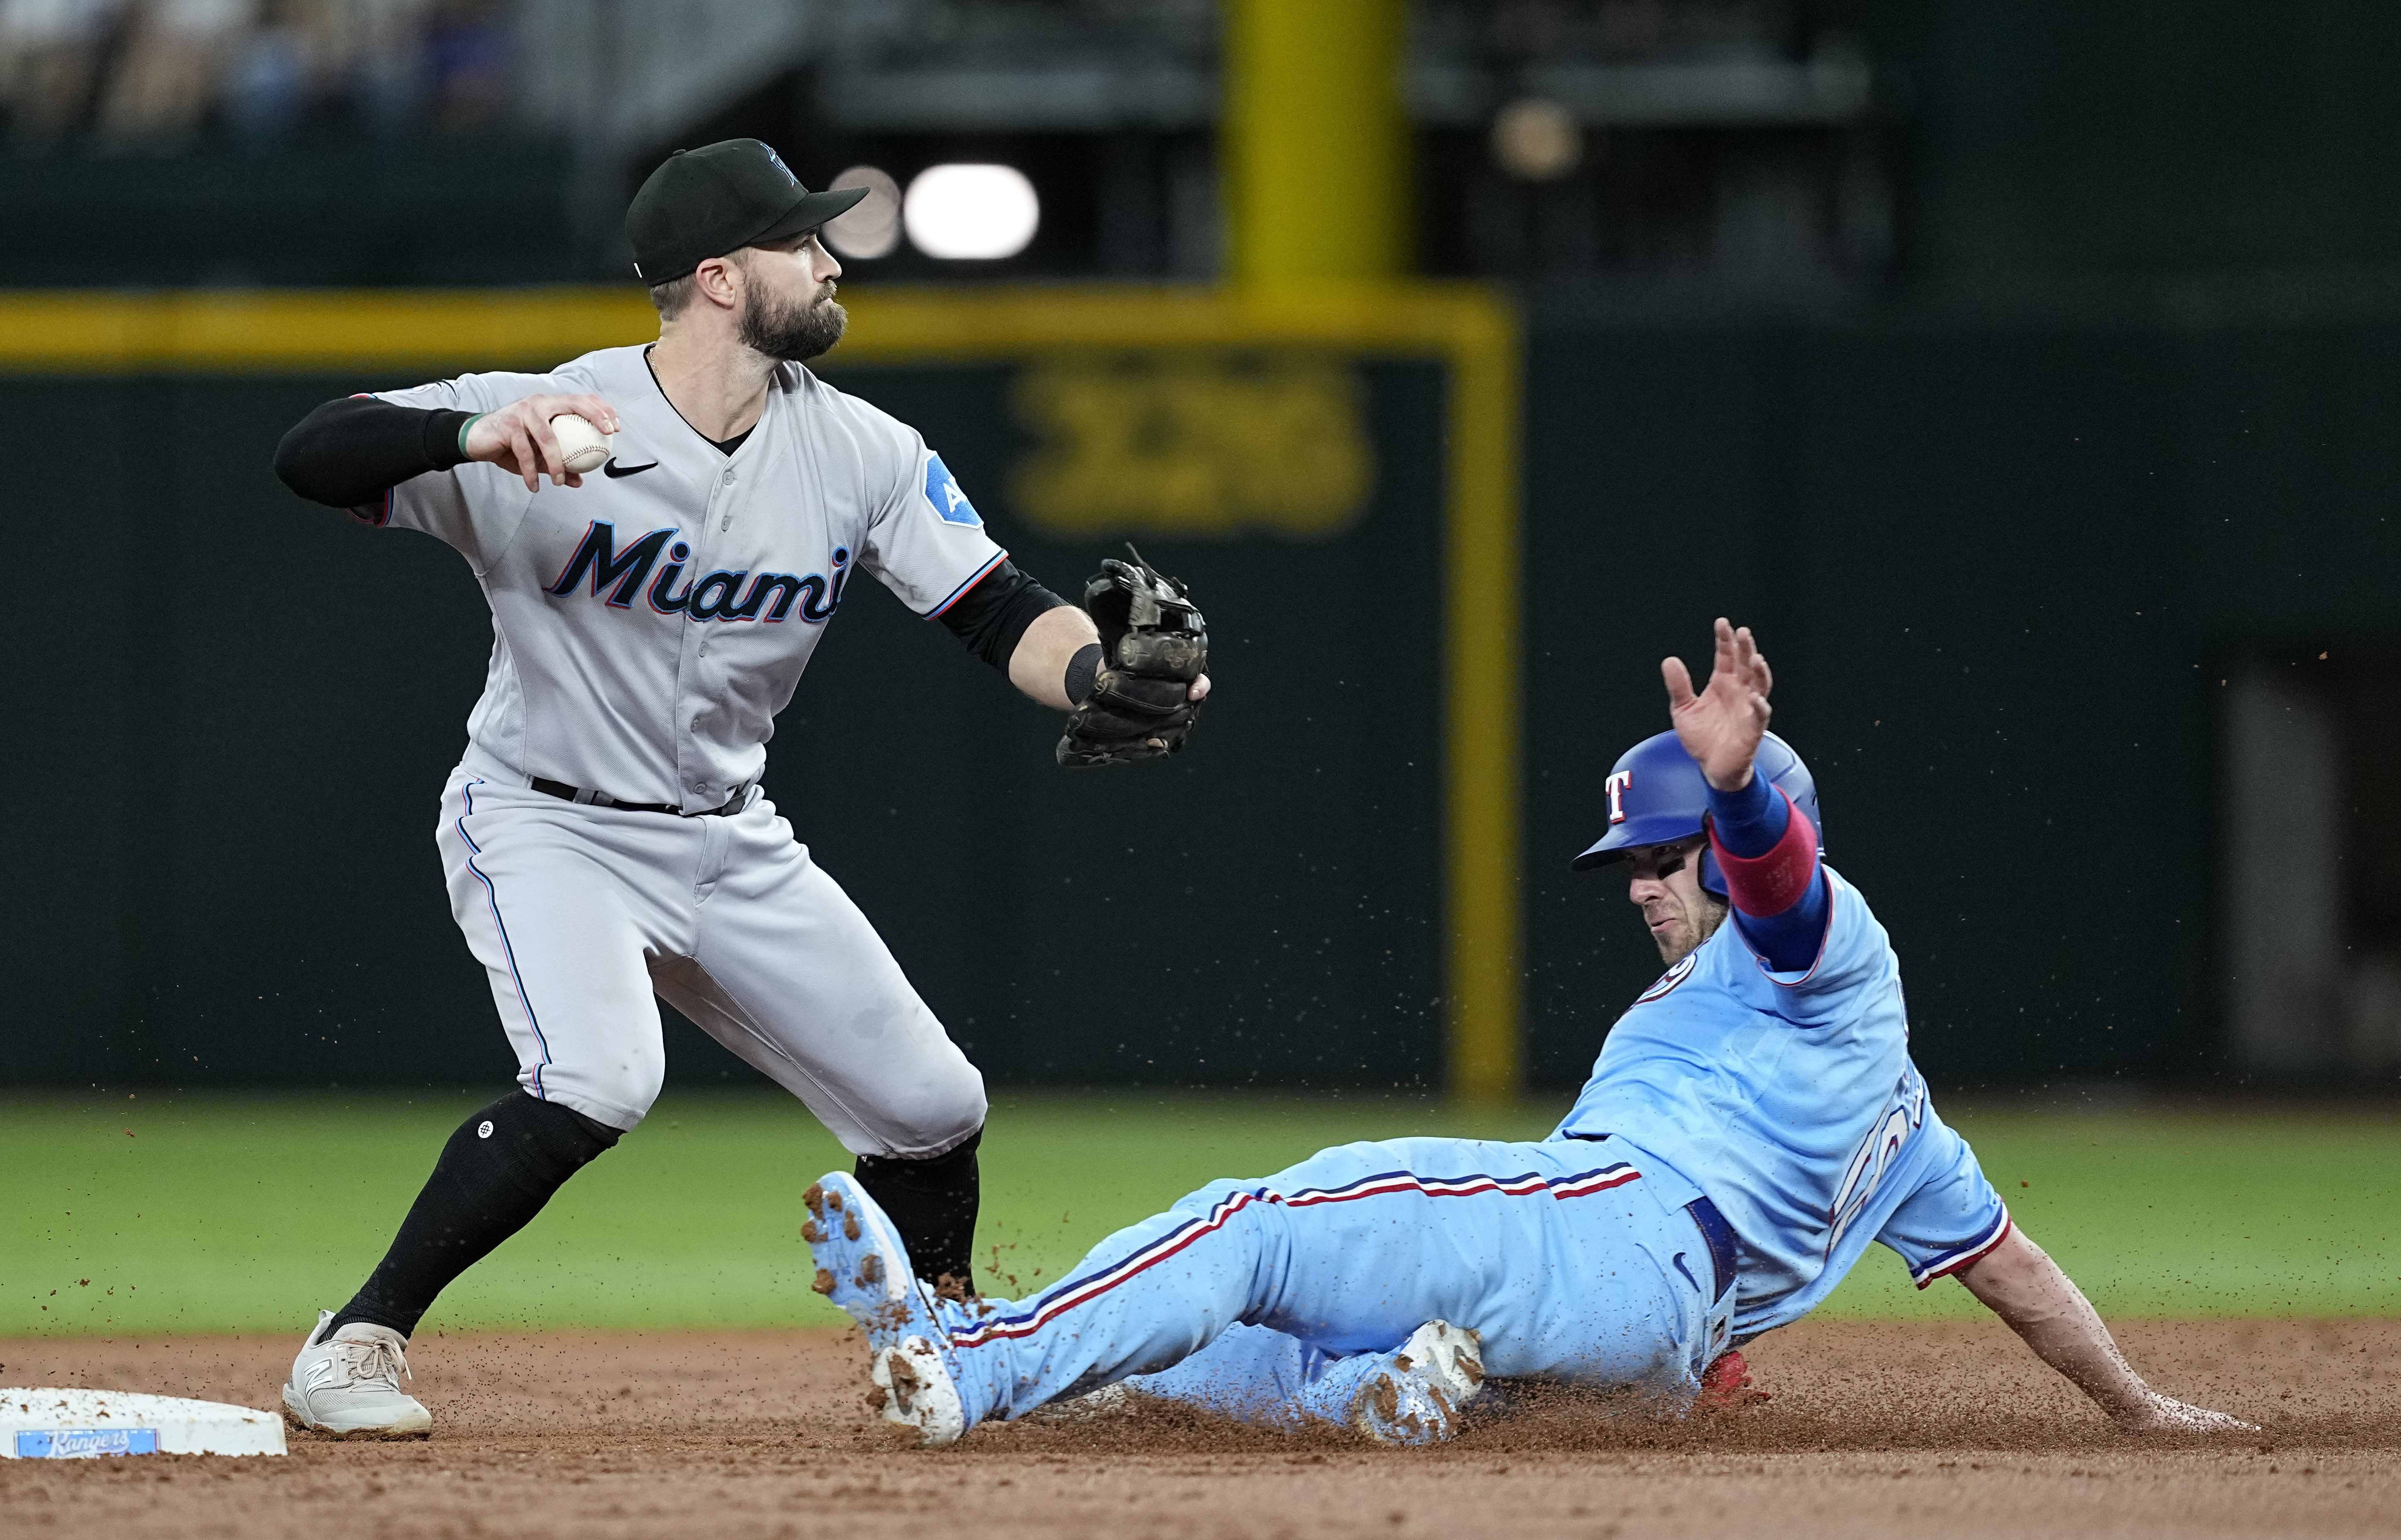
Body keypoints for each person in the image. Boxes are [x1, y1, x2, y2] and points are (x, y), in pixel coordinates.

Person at [268, 139, 1209, 1438]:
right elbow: (312, 450)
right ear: (718, 277)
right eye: (801, 242)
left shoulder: (863, 450)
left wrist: (1100, 669)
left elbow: (997, 610)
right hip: (544, 819)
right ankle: (353, 1342)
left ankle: (942, 1339)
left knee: (935, 1106)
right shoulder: (552, 412)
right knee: (599, 1078)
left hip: (727, 837)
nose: (830, 260)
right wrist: (472, 433)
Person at [805, 619, 2245, 1446]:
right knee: (1250, 1355)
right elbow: (2010, 1265)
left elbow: (1784, 896)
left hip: (1608, 1231)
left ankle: (975, 1356)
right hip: (1647, 1340)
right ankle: (1385, 1391)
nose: (1641, 882)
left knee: (1260, 1227)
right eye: (1636, 861)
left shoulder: (1821, 954)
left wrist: (1742, 805)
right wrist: (2136, 1407)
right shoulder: (1906, 1124)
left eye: (1664, 856)